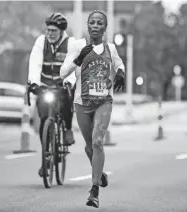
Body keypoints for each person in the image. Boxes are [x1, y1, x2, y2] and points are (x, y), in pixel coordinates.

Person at [60, 10, 125, 208]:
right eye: (92, 23)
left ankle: (94, 190)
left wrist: (121, 72)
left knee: (98, 142)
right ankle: (100, 173)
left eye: (99, 23)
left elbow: (119, 63)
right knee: (89, 146)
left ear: (105, 28)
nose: (95, 26)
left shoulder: (110, 48)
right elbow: (63, 72)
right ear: (88, 26)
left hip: (103, 102)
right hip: (82, 103)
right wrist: (79, 59)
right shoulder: (79, 46)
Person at [27, 13, 77, 177]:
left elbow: (71, 66)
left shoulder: (71, 44)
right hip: (45, 86)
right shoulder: (41, 42)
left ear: (61, 31)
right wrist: (33, 82)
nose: (50, 34)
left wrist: (69, 82)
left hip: (62, 86)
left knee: (67, 102)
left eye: (53, 31)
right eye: (48, 30)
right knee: (43, 118)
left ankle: (68, 129)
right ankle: (46, 155)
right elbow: (35, 63)